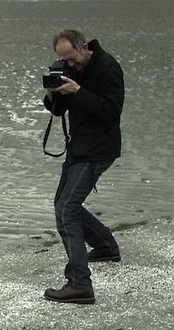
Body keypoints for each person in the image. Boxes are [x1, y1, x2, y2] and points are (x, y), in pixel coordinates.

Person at [41, 29, 124, 304]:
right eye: (65, 61)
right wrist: (53, 94)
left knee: (67, 208)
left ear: (84, 47)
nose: (70, 66)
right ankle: (105, 246)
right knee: (63, 205)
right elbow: (58, 111)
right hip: (79, 148)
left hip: (99, 149)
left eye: (73, 60)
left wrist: (79, 90)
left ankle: (79, 283)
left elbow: (111, 112)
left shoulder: (108, 67)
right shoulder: (71, 69)